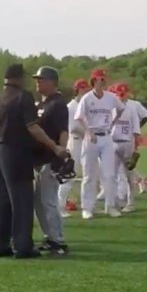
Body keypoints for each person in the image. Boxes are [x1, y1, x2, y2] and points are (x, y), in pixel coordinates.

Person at [0, 64, 67, 259]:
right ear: (19, 78)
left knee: (1, 200)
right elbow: (32, 127)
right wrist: (54, 147)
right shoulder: (23, 96)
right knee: (21, 200)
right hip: (13, 151)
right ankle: (23, 246)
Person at [74, 69, 125, 219]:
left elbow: (120, 109)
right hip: (92, 137)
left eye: (104, 79)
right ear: (94, 81)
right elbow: (79, 118)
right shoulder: (87, 98)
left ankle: (110, 206)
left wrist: (113, 122)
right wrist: (89, 132)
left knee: (109, 174)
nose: (103, 82)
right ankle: (87, 207)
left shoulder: (111, 97)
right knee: (89, 174)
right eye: (100, 79)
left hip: (106, 136)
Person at [31, 66, 70, 255]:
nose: (37, 82)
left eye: (41, 79)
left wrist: (61, 153)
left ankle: (58, 240)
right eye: (37, 79)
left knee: (49, 201)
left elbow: (63, 130)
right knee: (39, 202)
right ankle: (49, 236)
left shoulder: (58, 104)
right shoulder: (41, 104)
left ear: (52, 82)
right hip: (38, 159)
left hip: (49, 158)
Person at [58, 78, 90, 217]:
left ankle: (88, 204)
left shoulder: (85, 104)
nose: (86, 91)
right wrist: (89, 134)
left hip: (86, 142)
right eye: (84, 88)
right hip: (75, 142)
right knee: (69, 175)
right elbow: (73, 128)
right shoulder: (71, 107)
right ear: (78, 89)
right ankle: (60, 207)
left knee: (91, 174)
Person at [109, 83, 142, 213]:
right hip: (112, 142)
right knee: (112, 174)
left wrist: (136, 148)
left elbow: (136, 130)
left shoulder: (131, 108)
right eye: (119, 93)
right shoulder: (111, 107)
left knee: (129, 174)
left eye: (123, 93)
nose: (121, 95)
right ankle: (115, 202)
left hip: (127, 143)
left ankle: (131, 202)